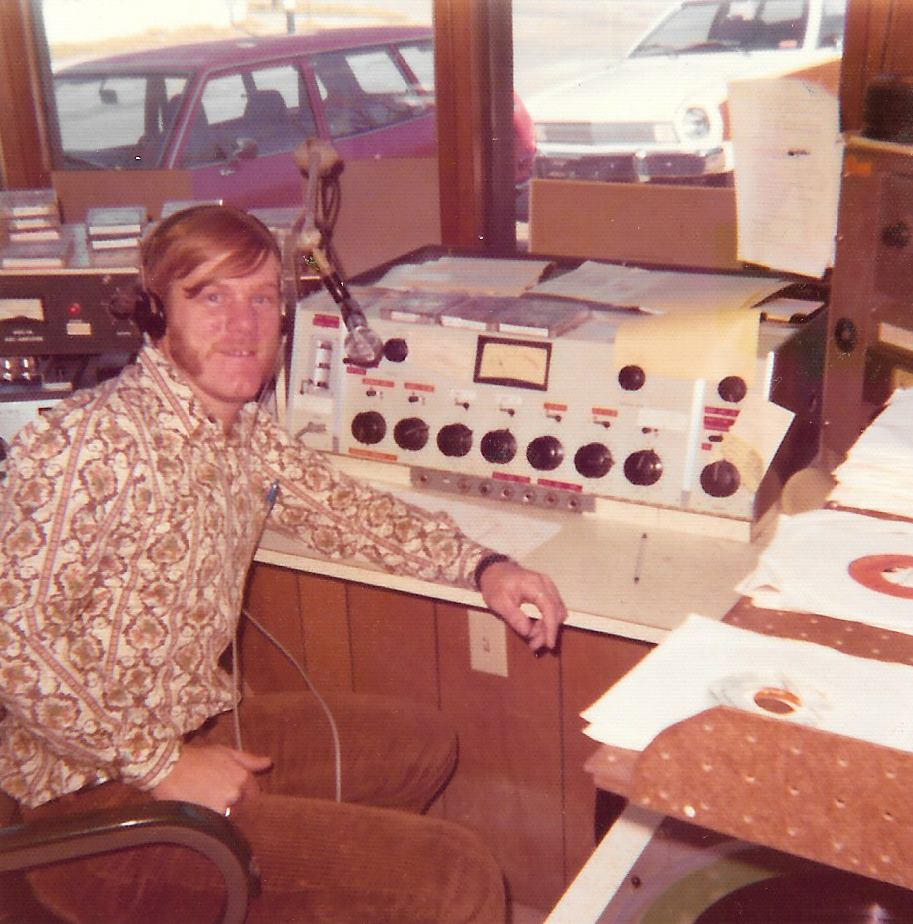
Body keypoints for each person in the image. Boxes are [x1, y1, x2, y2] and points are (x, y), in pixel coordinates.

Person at [0, 204, 567, 924]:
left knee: (418, 746)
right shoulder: (86, 445)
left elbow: (347, 511)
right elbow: (14, 643)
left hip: (191, 728)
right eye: (210, 297)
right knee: (455, 879)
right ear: (155, 313)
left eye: (260, 299)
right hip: (89, 803)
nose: (242, 324)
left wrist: (483, 567)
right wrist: (162, 765)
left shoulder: (239, 432)